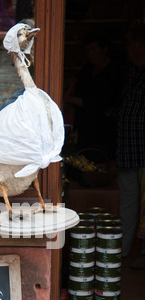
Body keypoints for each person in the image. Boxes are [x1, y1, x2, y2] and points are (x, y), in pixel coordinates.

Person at [65, 32, 122, 162]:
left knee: (99, 158)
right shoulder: (89, 66)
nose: (90, 53)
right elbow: (78, 83)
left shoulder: (113, 71)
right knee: (82, 157)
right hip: (84, 122)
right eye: (88, 50)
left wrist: (72, 100)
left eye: (94, 49)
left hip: (103, 125)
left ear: (104, 49)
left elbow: (103, 101)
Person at [116, 20, 145, 264]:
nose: (129, 48)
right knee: (127, 205)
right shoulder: (132, 72)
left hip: (143, 152)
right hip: (128, 151)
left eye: (132, 43)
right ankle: (123, 251)